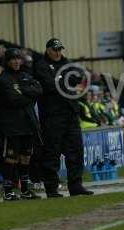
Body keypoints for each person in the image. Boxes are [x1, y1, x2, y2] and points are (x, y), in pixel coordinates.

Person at [34, 38, 93, 197]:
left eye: (60, 49)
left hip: (71, 113)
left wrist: (62, 80)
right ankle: (52, 189)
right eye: (55, 49)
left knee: (76, 150)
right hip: (52, 116)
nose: (58, 52)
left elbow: (79, 76)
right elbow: (49, 86)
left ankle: (76, 185)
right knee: (52, 152)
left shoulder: (66, 62)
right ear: (48, 50)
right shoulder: (41, 65)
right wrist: (66, 81)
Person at [0, 48, 42, 200]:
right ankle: (8, 191)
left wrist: (25, 93)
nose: (17, 61)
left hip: (28, 123)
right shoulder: (3, 79)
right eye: (13, 59)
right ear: (7, 61)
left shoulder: (25, 75)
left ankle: (25, 190)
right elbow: (13, 99)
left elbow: (39, 89)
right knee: (11, 158)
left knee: (26, 157)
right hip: (11, 125)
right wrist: (30, 96)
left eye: (19, 58)